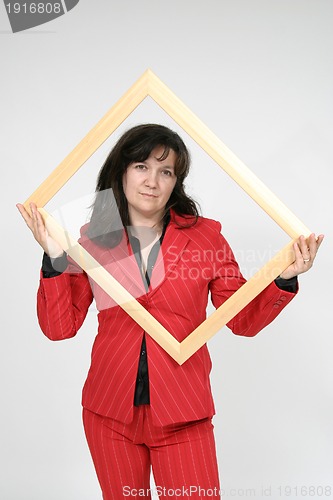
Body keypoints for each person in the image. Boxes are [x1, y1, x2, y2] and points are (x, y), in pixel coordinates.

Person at [17, 124, 324, 499]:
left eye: (166, 171)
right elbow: (59, 327)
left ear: (176, 182)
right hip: (108, 412)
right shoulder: (92, 241)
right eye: (142, 167)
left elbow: (242, 320)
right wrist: (54, 257)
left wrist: (284, 278)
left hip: (182, 413)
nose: (152, 181)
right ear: (122, 171)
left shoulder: (205, 238)